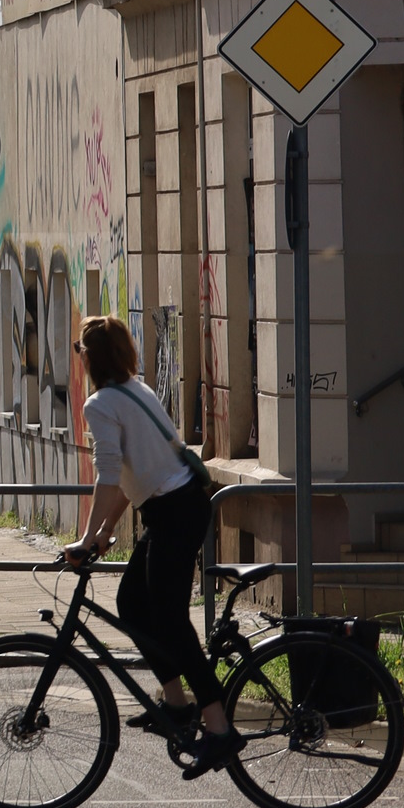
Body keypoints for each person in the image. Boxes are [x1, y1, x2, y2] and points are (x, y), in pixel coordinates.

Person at [60, 314, 241, 779]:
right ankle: (177, 706)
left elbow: (106, 473)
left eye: (80, 350)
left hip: (175, 513)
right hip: (174, 507)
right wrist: (102, 533)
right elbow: (129, 479)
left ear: (90, 357)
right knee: (132, 602)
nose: (78, 357)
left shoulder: (101, 403)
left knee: (172, 622)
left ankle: (219, 729)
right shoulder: (136, 390)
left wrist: (85, 536)